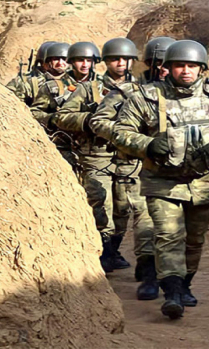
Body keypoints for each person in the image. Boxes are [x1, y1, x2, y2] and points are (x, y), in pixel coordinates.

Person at [112, 40, 209, 319]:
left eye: (192, 65)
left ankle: (186, 284)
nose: (186, 70)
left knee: (194, 239)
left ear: (201, 68)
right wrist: (147, 144)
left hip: (206, 181)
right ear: (167, 68)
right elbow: (120, 130)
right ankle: (173, 292)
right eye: (179, 65)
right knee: (168, 235)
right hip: (162, 181)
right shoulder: (147, 96)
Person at [90, 36, 176, 300]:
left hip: (173, 170)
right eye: (156, 63)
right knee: (142, 220)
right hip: (133, 167)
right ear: (148, 63)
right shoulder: (128, 91)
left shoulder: (186, 95)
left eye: (167, 63)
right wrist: (132, 137)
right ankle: (148, 272)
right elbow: (98, 122)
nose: (162, 68)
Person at [54, 37, 138, 272]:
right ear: (106, 62)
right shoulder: (88, 88)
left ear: (132, 61)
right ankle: (103, 252)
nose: (120, 63)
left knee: (124, 208)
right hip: (96, 155)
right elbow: (63, 116)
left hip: (128, 157)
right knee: (101, 204)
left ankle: (113, 249)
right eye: (114, 59)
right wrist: (90, 120)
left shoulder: (141, 89)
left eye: (125, 59)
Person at [6, 41, 56, 106]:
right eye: (55, 59)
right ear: (42, 62)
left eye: (64, 59)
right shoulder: (24, 82)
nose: (61, 63)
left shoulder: (68, 80)